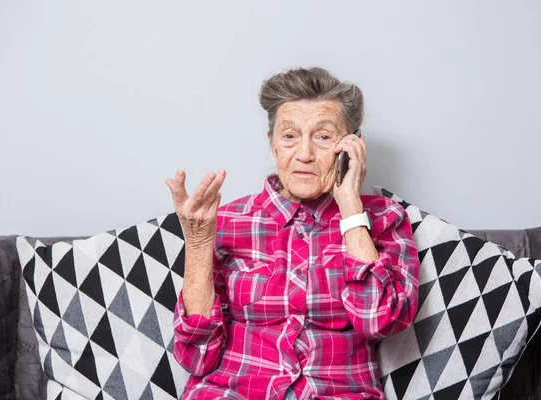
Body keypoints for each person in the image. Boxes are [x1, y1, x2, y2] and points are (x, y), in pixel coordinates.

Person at [165, 67, 420, 400]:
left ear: (352, 147)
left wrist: (349, 206)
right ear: (272, 144)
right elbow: (196, 356)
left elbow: (380, 320)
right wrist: (198, 243)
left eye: (323, 137)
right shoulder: (226, 220)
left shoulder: (384, 217)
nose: (304, 154)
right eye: (289, 136)